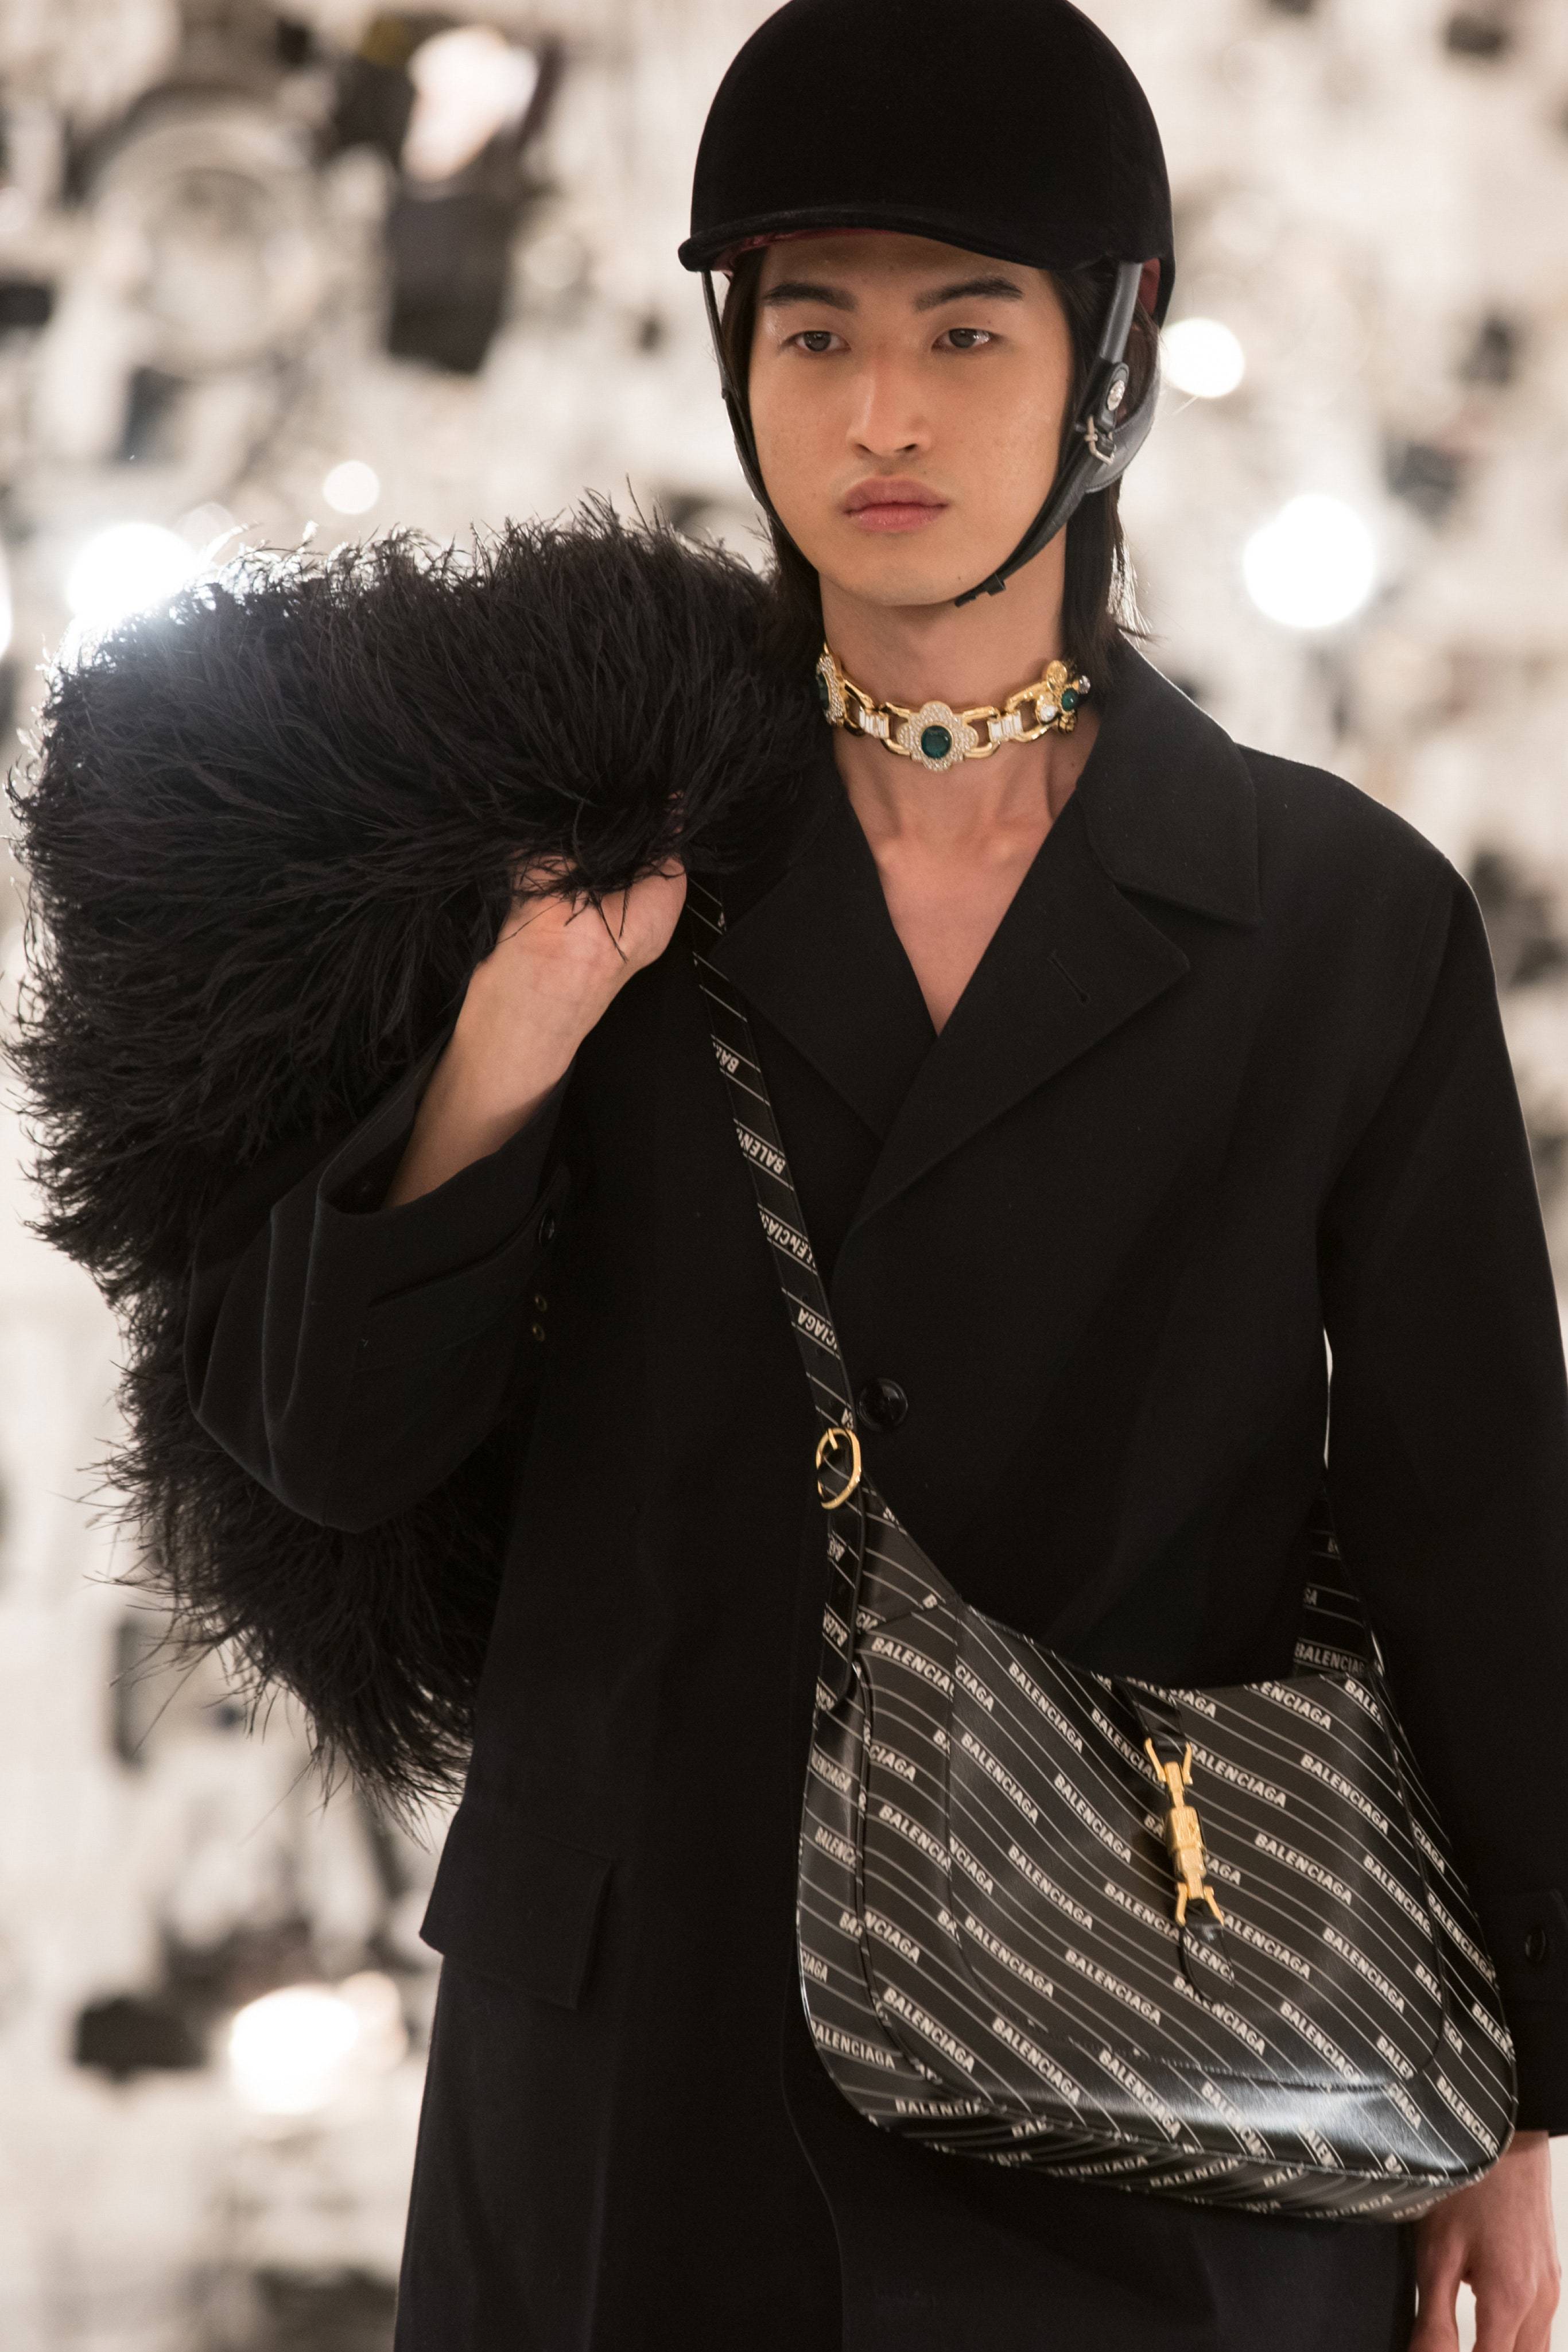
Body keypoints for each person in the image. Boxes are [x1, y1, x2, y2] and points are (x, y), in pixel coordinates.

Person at [177, 1, 1568, 2345]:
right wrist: (505, 1044)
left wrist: (1518, 2089)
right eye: (811, 330)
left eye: (963, 329)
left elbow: (1477, 1530)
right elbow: (325, 1455)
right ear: (735, 356)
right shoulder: (552, 864)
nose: (881, 414)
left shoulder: (1337, 917)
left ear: (1111, 348)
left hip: (1165, 2085)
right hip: (632, 2083)